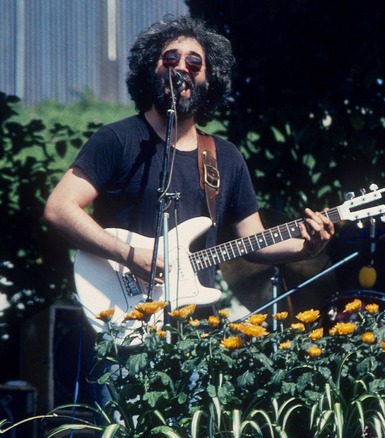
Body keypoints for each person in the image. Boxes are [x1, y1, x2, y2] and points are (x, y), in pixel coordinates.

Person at [43, 16, 334, 307]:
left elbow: (254, 241)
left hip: (193, 324)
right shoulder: (117, 139)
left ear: (209, 79)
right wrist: (128, 255)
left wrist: (305, 248)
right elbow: (59, 208)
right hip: (122, 311)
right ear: (152, 68)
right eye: (170, 58)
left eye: (195, 63)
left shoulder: (225, 157)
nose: (182, 67)